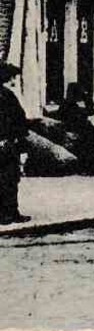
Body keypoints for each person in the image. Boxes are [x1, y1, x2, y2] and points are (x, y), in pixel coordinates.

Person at [0, 63, 31, 223]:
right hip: (6, 143)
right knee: (9, 178)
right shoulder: (7, 96)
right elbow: (18, 119)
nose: (14, 81)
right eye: (13, 78)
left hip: (5, 141)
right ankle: (8, 212)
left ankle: (9, 212)